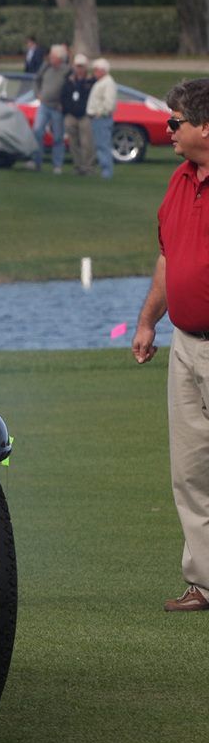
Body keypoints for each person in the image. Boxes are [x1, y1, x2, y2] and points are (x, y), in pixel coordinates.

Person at [130, 78, 209, 611]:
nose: (168, 129)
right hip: (185, 341)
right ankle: (204, 581)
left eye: (176, 121)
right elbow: (168, 258)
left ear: (206, 125)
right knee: (189, 471)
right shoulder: (180, 179)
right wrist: (147, 322)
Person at [25, 44, 69, 173]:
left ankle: (57, 165)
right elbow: (36, 81)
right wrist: (38, 93)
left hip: (57, 108)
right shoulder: (45, 67)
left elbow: (69, 89)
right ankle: (36, 161)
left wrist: (64, 103)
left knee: (58, 137)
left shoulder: (66, 71)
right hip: (44, 106)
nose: (50, 57)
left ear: (59, 58)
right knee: (37, 131)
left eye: (53, 55)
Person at [61, 53, 95, 175]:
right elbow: (64, 95)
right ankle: (78, 167)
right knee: (73, 143)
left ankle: (89, 167)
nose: (79, 68)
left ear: (86, 67)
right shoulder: (69, 80)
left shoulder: (91, 81)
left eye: (81, 66)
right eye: (77, 66)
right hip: (70, 115)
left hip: (85, 115)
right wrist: (65, 109)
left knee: (87, 143)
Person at [89, 57, 118, 179]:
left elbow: (109, 104)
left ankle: (107, 172)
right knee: (100, 144)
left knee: (103, 145)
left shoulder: (108, 83)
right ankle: (104, 169)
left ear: (104, 70)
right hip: (97, 118)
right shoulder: (101, 82)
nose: (94, 72)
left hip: (102, 118)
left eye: (97, 69)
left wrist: (99, 112)